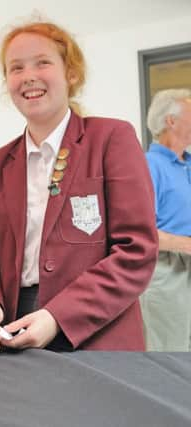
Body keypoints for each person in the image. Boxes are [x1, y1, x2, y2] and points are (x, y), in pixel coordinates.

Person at [0, 20, 158, 352]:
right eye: (16, 68)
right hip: (14, 330)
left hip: (97, 330)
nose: (28, 76)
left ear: (70, 73)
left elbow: (135, 251)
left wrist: (57, 315)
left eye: (42, 62)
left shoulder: (111, 139)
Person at [140, 88, 191, 351]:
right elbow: (143, 233)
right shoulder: (148, 165)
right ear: (171, 121)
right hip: (167, 271)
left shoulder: (188, 164)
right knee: (172, 353)